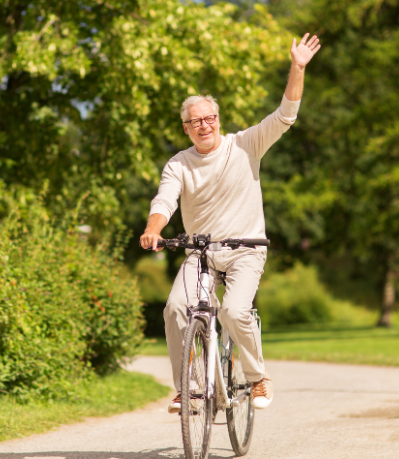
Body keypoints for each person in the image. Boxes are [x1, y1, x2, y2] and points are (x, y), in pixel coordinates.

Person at [140, 34, 321, 413]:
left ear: (218, 120)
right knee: (175, 308)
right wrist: (154, 228)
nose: (204, 125)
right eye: (195, 121)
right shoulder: (178, 163)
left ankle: (257, 377)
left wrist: (298, 67)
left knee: (234, 311)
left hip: (245, 250)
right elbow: (165, 200)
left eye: (209, 118)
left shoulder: (245, 145)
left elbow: (285, 114)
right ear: (186, 129)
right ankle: (188, 388)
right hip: (201, 253)